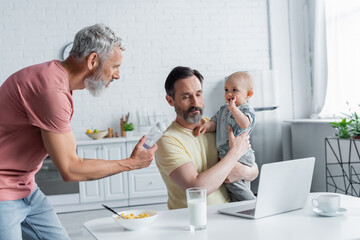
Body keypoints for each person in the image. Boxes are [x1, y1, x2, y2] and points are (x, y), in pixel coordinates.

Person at [0, 24, 157, 240]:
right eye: (115, 66)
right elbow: (71, 169)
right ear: (92, 61)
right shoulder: (50, 90)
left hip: (25, 186)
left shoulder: (57, 80)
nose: (118, 75)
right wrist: (131, 163)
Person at [155, 66, 258, 209]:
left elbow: (253, 168)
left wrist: (245, 171)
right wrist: (234, 154)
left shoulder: (218, 125)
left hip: (228, 213)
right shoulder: (167, 140)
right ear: (170, 100)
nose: (195, 103)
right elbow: (197, 189)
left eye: (198, 94)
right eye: (186, 96)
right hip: (190, 222)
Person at [194, 71, 256, 202]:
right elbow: (215, 123)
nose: (229, 94)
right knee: (233, 188)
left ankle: (252, 204)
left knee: (235, 185)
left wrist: (234, 109)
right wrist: (206, 126)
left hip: (241, 156)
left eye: (235, 90)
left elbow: (245, 124)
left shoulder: (246, 109)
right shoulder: (223, 109)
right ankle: (239, 206)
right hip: (226, 154)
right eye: (226, 90)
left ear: (248, 94)